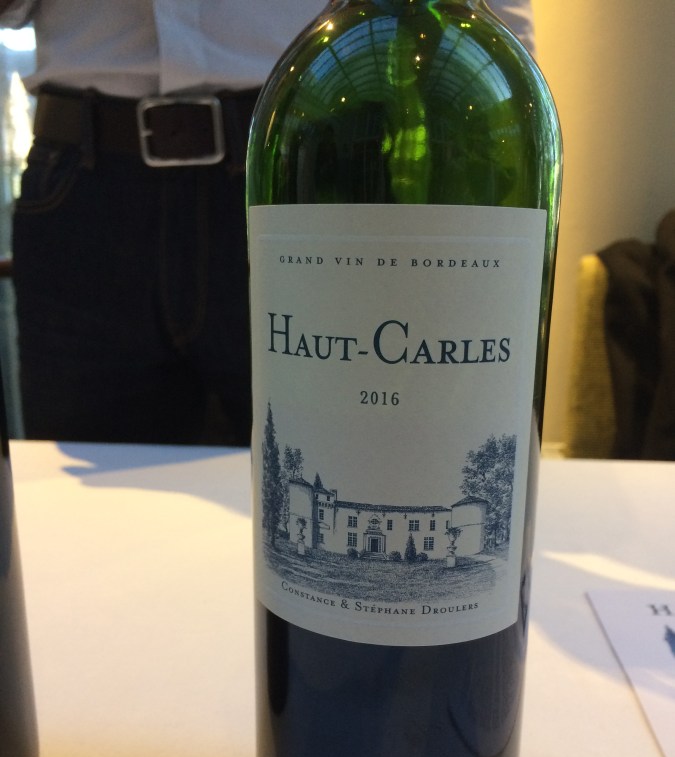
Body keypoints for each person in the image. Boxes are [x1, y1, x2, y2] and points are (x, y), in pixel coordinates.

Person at [0, 1, 535, 446]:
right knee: (88, 518)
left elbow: (488, 26)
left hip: (312, 159)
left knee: (348, 462)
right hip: (83, 190)